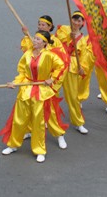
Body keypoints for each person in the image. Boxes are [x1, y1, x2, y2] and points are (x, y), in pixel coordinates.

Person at [0, 30, 66, 163]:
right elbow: (22, 73)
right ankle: (13, 144)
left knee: (38, 122)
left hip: (41, 92)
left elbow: (61, 66)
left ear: (44, 43)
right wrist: (15, 83)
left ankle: (39, 150)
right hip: (26, 89)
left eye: (37, 39)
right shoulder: (27, 54)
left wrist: (52, 78)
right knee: (19, 119)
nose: (34, 41)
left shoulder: (49, 55)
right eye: (34, 38)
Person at [19, 15, 69, 149]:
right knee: (30, 110)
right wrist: (26, 35)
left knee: (51, 112)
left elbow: (62, 62)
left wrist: (53, 81)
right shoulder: (35, 38)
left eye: (43, 25)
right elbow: (27, 51)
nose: (40, 26)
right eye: (39, 24)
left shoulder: (55, 41)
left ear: (50, 27)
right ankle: (29, 130)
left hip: (48, 83)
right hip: (34, 82)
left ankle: (59, 135)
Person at [56, 11, 94, 134]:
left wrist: (82, 67)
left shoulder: (83, 40)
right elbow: (57, 43)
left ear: (83, 23)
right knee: (51, 93)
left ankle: (78, 122)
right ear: (71, 19)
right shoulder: (63, 29)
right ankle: (47, 119)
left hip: (72, 66)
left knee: (72, 96)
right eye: (75, 19)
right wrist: (69, 37)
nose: (76, 22)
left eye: (79, 20)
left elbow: (83, 56)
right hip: (58, 64)